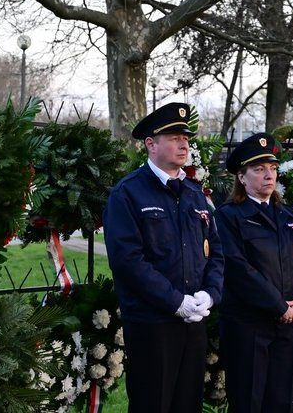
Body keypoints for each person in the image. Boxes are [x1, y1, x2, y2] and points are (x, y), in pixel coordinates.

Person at [104, 102, 223, 413]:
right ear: (150, 144)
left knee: (188, 405)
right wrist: (175, 302)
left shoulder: (195, 193)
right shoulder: (128, 193)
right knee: (152, 404)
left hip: (193, 323)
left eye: (185, 138)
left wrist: (210, 294)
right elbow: (128, 261)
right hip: (152, 325)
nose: (184, 144)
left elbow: (215, 251)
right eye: (173, 138)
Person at [216, 133, 293, 413]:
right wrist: (278, 306)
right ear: (241, 177)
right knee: (248, 402)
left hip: (287, 324)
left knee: (280, 402)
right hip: (248, 326)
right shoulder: (229, 216)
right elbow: (238, 269)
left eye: (273, 168)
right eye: (259, 169)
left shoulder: (291, 216)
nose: (269, 175)